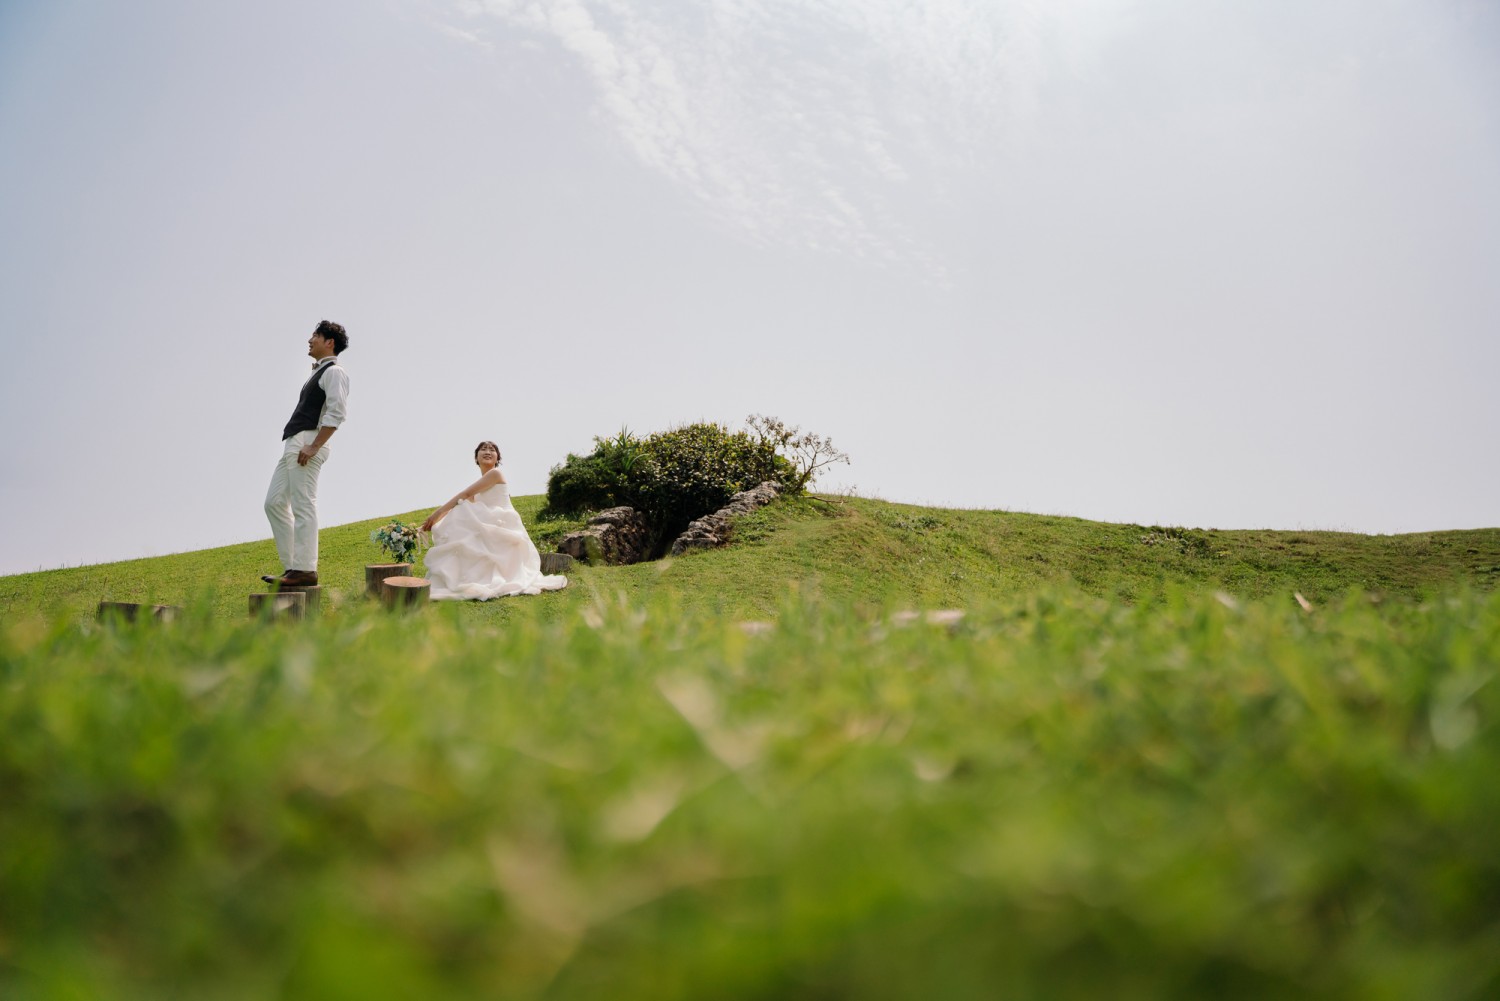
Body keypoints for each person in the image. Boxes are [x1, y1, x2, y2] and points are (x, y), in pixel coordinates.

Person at [420, 441, 568, 600]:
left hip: (502, 523)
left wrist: (436, 515)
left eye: (492, 450)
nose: (487, 451)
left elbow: (465, 493)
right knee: (462, 510)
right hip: (491, 522)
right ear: (476, 458)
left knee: (464, 508)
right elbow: (461, 502)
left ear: (497, 458)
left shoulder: (495, 474)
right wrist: (435, 521)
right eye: (483, 449)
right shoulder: (482, 485)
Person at [261, 320, 349, 587]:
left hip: (308, 443)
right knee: (274, 503)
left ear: (329, 342)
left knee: (303, 503)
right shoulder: (318, 372)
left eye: (315, 335)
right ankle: (293, 568)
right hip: (294, 442)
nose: (309, 340)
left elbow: (337, 413)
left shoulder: (335, 372)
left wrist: (314, 446)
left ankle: (305, 570)